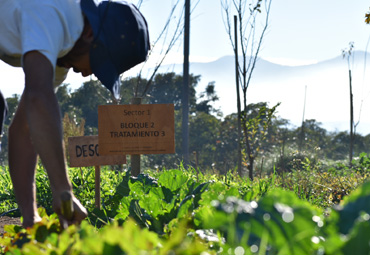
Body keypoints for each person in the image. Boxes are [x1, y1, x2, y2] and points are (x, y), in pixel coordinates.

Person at [0, 0, 150, 228]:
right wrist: (63, 190)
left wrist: (31, 219)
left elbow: (25, 129)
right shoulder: (53, 11)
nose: (88, 74)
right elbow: (38, 99)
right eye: (97, 63)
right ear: (89, 32)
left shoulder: (62, 56)